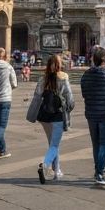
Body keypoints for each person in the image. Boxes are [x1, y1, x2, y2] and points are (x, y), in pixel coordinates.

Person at [29, 54, 74, 184]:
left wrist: (32, 113)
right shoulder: (64, 77)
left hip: (44, 116)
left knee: (53, 144)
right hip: (57, 115)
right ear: (60, 65)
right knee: (54, 145)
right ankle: (45, 165)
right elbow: (70, 99)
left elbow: (37, 96)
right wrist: (68, 109)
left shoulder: (43, 79)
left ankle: (57, 171)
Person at [81, 46, 105, 186]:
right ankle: (100, 172)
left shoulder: (86, 75)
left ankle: (98, 169)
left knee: (96, 144)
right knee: (104, 144)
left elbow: (84, 93)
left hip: (91, 113)